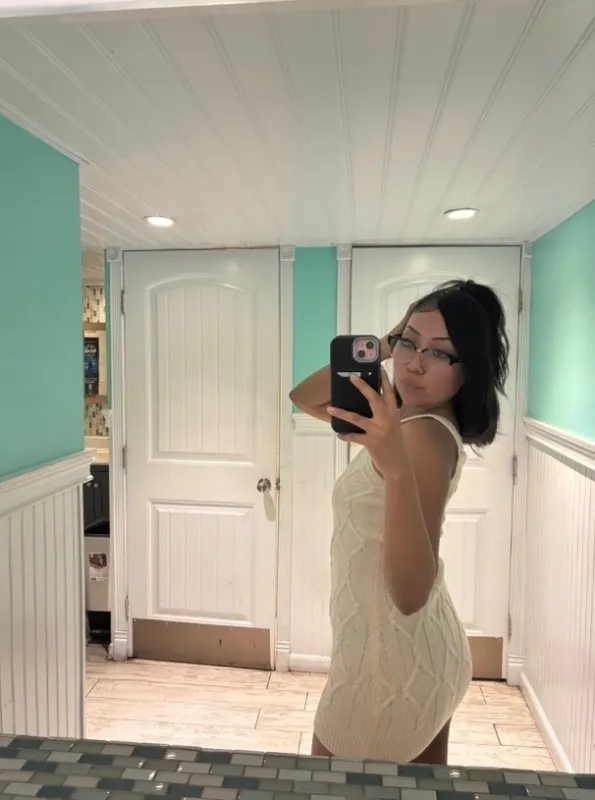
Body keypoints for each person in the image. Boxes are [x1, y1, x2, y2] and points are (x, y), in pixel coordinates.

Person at [289, 279, 510, 764]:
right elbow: (304, 397)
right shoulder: (399, 416)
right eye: (410, 342)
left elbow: (410, 595)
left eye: (440, 353)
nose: (414, 363)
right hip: (411, 654)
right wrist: (383, 347)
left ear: (468, 369)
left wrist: (393, 465)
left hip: (387, 670)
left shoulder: (421, 439)